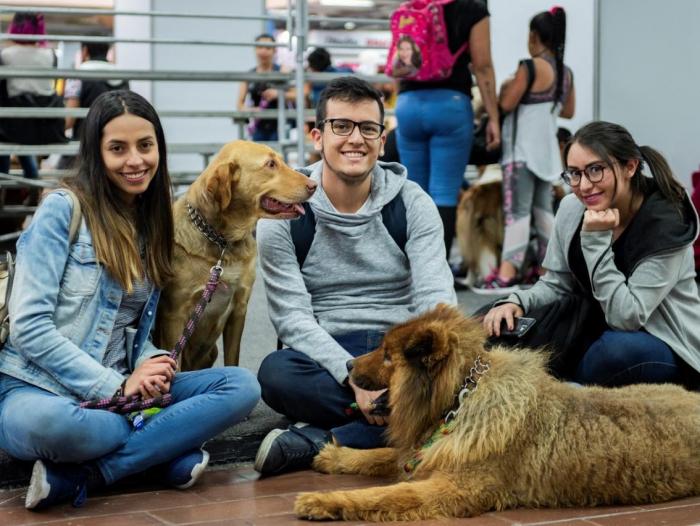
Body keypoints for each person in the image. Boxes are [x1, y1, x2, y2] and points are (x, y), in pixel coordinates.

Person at [0, 90, 260, 510]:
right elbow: (29, 327)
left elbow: (134, 329)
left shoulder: (152, 221)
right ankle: (160, 452)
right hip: (37, 389)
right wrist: (118, 384)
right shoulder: (62, 211)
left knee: (240, 386)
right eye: (117, 149)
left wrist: (148, 362)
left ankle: (89, 475)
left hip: (124, 392)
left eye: (145, 146)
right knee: (57, 427)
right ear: (95, 153)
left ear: (159, 147)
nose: (135, 161)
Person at [254, 76, 457, 476]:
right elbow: (292, 319)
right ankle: (415, 424)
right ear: (317, 136)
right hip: (325, 349)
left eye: (368, 128)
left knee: (462, 357)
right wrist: (354, 378)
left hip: (399, 348)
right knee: (275, 374)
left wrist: (403, 373)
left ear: (383, 141)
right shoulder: (283, 213)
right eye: (341, 126)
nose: (355, 139)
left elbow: (437, 303)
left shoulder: (413, 203)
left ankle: (325, 438)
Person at [483, 121, 700, 389]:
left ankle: (565, 398)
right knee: (494, 322)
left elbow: (626, 317)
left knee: (617, 351)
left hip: (662, 344)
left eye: (596, 170)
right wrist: (517, 301)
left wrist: (596, 240)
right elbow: (557, 284)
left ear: (629, 167)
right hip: (592, 326)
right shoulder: (572, 208)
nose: (584, 185)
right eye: (574, 173)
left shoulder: (667, 224)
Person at [478, 6, 575, 292]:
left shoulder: (529, 67)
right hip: (547, 155)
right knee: (544, 213)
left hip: (520, 153)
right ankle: (548, 269)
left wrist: (506, 85)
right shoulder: (565, 72)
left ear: (534, 36)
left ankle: (507, 273)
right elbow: (569, 111)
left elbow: (506, 103)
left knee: (516, 213)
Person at [395, 0, 500, 260]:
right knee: (443, 190)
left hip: (407, 104)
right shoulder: (472, 9)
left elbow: (400, 64)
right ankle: (436, 273)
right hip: (450, 106)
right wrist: (493, 117)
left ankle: (410, 271)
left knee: (414, 190)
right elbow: (483, 66)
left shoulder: (411, 6)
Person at [0, 11, 57, 181]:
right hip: (44, 124)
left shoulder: (6, 55)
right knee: (25, 149)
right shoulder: (50, 55)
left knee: (4, 147)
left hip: (13, 123)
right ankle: (33, 185)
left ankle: (3, 189)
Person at [58, 35, 130, 169]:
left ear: (85, 51)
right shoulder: (121, 77)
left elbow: (69, 119)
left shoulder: (77, 76)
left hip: (84, 145)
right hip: (116, 146)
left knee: (62, 179)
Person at [237, 33, 297, 142]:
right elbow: (239, 105)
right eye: (260, 47)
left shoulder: (283, 71)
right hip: (258, 127)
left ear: (275, 51)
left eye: (268, 48)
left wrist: (278, 94)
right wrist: (252, 110)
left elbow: (298, 95)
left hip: (280, 126)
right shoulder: (248, 75)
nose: (263, 51)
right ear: (255, 49)